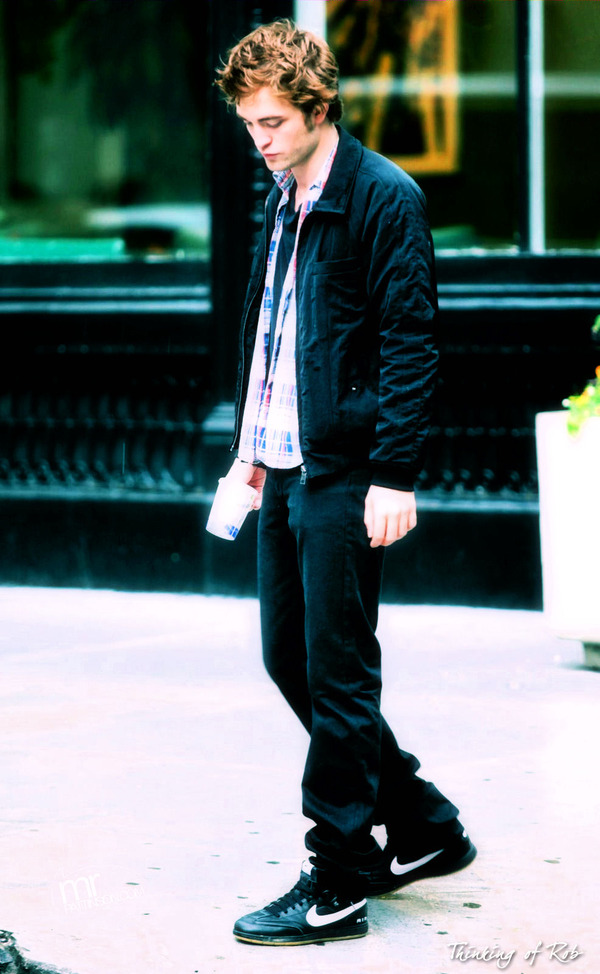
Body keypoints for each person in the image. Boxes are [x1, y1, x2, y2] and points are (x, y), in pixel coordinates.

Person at [215, 19, 476, 947]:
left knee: (339, 671)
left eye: (274, 123)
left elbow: (410, 342)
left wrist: (394, 473)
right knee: (290, 657)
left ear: (318, 106)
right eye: (250, 125)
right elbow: (275, 331)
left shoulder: (382, 196)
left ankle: (338, 879)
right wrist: (249, 449)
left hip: (348, 471)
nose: (261, 140)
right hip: (284, 460)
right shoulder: (284, 195)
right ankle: (426, 825)